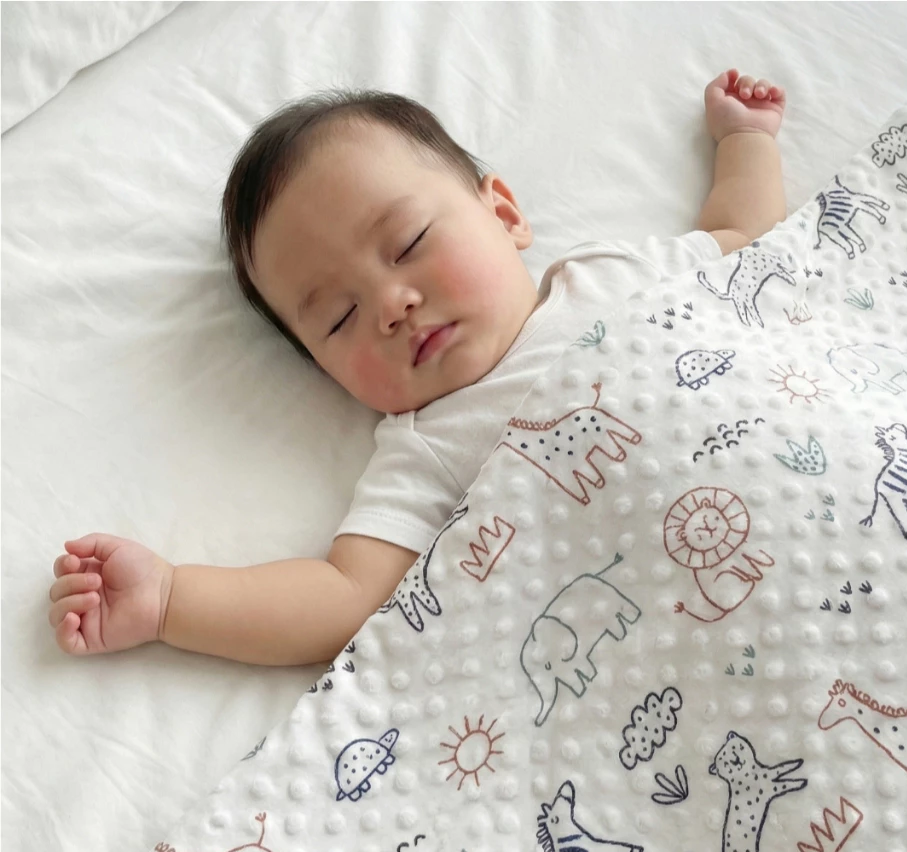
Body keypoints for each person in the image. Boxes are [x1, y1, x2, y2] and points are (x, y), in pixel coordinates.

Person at [48, 69, 787, 667]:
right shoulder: (428, 445)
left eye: (407, 244)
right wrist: (172, 600)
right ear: (326, 372)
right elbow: (343, 599)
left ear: (503, 214)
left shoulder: (607, 277)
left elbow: (749, 244)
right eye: (339, 318)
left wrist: (745, 141)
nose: (390, 306)